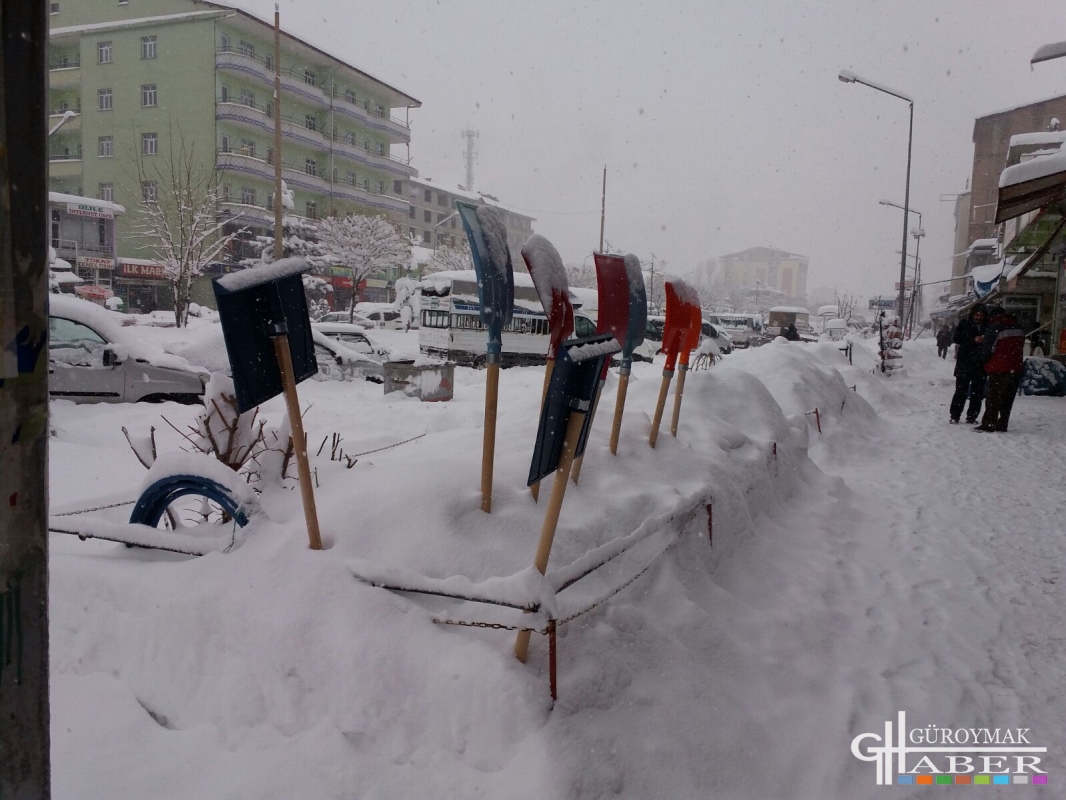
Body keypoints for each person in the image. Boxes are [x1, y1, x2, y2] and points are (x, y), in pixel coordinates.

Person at [976, 305, 1025, 432]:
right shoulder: (1018, 326)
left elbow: (988, 349)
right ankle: (1003, 423)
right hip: (1016, 367)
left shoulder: (995, 327)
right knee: (1007, 398)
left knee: (993, 397)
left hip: (999, 367)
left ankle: (989, 424)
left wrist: (985, 362)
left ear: (992, 316)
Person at [949, 303, 989, 424]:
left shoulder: (988, 326)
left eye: (981, 315)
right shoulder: (964, 323)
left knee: (977, 393)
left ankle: (972, 416)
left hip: (980, 364)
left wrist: (984, 340)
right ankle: (955, 415)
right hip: (965, 363)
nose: (978, 317)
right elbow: (956, 338)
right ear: (972, 314)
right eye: (976, 315)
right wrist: (972, 339)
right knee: (960, 391)